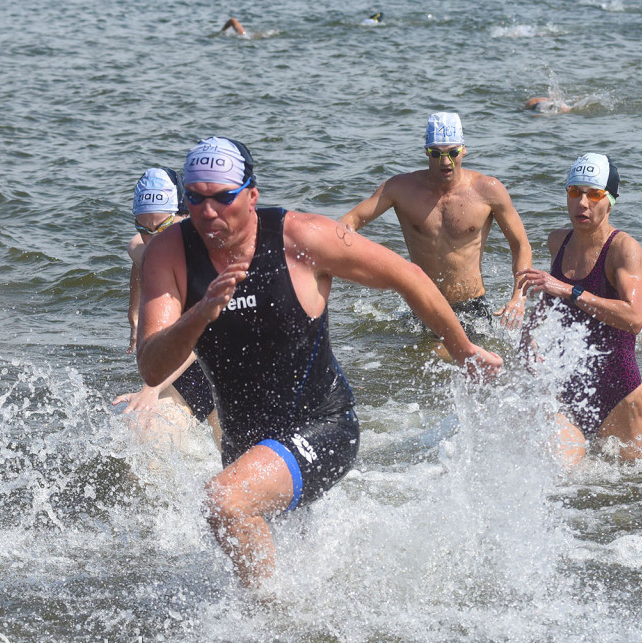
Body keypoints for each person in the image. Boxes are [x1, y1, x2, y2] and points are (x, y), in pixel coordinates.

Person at [136, 137, 502, 588]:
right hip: (245, 441)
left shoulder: (302, 238)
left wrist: (464, 349)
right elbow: (152, 367)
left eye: (222, 197)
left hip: (323, 426)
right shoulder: (169, 253)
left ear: (251, 195)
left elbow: (408, 276)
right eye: (195, 198)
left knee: (224, 502)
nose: (207, 212)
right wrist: (199, 314)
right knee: (283, 558)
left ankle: (268, 632)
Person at [339, 112, 533, 332]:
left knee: (447, 358)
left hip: (471, 308)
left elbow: (521, 245)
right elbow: (349, 222)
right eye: (436, 153)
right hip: (422, 305)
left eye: (453, 152)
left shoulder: (488, 190)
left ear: (464, 149)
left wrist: (519, 296)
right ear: (426, 152)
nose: (445, 161)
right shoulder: (400, 189)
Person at [518, 153, 642, 464]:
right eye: (575, 192)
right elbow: (549, 297)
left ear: (611, 200)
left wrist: (569, 290)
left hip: (618, 394)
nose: (582, 203)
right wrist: (529, 333)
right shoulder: (558, 241)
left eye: (594, 194)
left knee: (636, 487)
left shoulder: (623, 249)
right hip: (569, 388)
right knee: (561, 479)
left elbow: (634, 318)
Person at [113, 168, 220, 444]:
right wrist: (134, 311)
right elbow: (138, 252)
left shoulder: (209, 262)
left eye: (162, 227)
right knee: (144, 435)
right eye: (143, 227)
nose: (154, 239)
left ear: (188, 215)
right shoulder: (152, 248)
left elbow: (198, 339)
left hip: (229, 375)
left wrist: (151, 388)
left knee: (237, 471)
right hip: (185, 375)